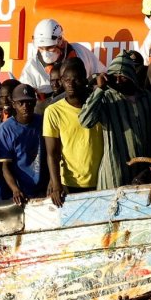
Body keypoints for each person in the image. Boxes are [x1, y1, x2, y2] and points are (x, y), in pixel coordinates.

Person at [77, 51, 151, 190]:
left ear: (132, 76)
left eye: (122, 77)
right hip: (115, 171)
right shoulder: (106, 98)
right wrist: (100, 89)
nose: (117, 81)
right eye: (113, 77)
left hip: (144, 171)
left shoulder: (146, 97)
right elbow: (86, 121)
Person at [42, 57, 105, 207]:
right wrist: (56, 184)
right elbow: (52, 153)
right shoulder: (53, 111)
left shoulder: (99, 105)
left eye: (76, 79)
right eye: (66, 79)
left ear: (84, 80)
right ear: (62, 81)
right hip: (69, 185)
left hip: (101, 181)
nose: (70, 84)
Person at [19, 18, 99, 98]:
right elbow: (23, 95)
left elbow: (100, 74)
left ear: (60, 40)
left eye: (50, 47)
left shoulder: (80, 52)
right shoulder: (32, 66)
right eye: (41, 48)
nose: (45, 53)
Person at [0, 89, 44, 200]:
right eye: (20, 103)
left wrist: (53, 182)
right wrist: (15, 190)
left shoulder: (42, 121)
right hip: (22, 191)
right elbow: (5, 166)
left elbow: (53, 154)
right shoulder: (5, 129)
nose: (25, 106)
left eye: (29, 102)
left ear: (35, 102)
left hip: (44, 188)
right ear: (13, 104)